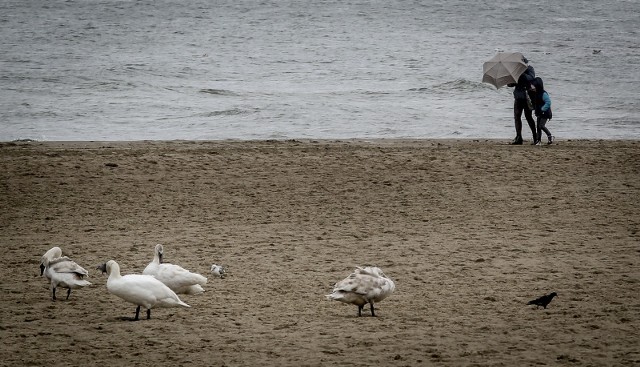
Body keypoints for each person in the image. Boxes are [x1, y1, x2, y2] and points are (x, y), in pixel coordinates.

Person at [507, 57, 537, 145]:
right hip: (518, 96)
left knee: (528, 117)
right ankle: (519, 137)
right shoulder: (516, 71)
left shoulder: (530, 69)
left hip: (527, 97)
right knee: (517, 116)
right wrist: (512, 79)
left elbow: (531, 78)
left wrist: (521, 74)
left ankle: (535, 137)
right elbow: (511, 84)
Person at [529, 77, 553, 145]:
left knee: (541, 126)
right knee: (538, 127)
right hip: (539, 113)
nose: (531, 86)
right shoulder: (535, 93)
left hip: (545, 113)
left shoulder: (543, 93)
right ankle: (538, 140)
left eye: (532, 85)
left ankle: (549, 136)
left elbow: (548, 102)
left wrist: (542, 109)